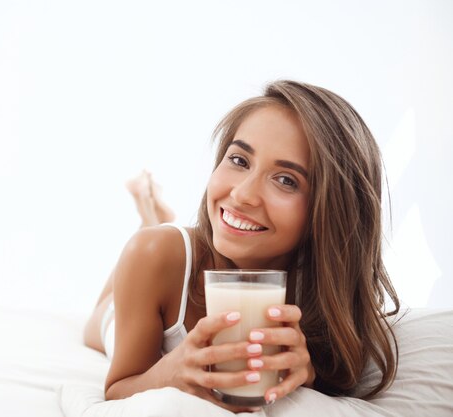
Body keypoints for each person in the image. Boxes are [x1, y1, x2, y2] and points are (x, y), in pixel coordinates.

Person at [83, 80, 400, 413]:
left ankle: (155, 215)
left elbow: (340, 373)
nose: (242, 195)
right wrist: (170, 371)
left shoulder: (326, 295)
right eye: (239, 160)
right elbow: (117, 390)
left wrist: (307, 373)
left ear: (330, 213)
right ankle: (151, 220)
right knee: (102, 314)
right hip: (151, 277)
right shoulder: (154, 254)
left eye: (286, 180)